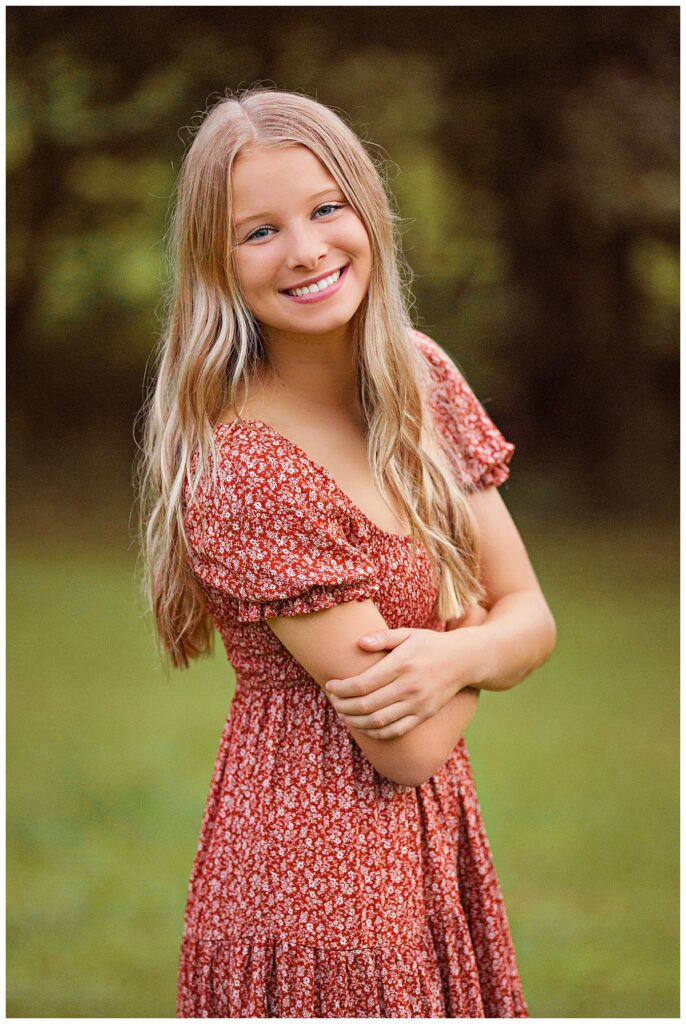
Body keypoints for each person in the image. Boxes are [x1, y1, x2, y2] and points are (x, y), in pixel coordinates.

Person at [136, 87, 556, 1018]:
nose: (307, 249)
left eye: (327, 207)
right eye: (260, 231)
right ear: (215, 261)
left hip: (431, 856)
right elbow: (407, 745)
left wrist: (459, 643)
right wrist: (481, 616)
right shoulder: (243, 465)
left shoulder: (420, 376)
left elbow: (533, 614)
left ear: (367, 209)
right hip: (313, 882)